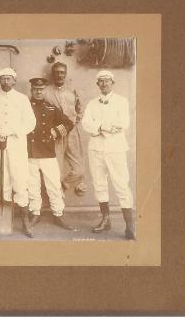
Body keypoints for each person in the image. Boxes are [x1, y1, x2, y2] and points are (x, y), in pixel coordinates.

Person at [81, 70, 135, 240]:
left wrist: (98, 127)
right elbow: (86, 124)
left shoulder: (121, 101)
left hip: (115, 148)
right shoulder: (91, 104)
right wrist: (103, 127)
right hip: (96, 148)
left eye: (107, 81)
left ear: (113, 83)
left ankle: (129, 225)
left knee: (121, 184)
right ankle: (106, 219)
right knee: (99, 183)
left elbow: (123, 123)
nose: (104, 84)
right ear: (98, 84)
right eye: (101, 82)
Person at [0, 67, 37, 238]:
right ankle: (5, 220)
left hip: (16, 145)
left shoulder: (22, 99)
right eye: (2, 79)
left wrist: (12, 130)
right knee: (3, 180)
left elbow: (30, 122)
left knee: (20, 181)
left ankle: (25, 221)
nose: (5, 82)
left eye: (8, 79)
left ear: (14, 81)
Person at [26, 78, 76, 231]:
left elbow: (69, 123)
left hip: (48, 152)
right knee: (32, 185)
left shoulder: (51, 108)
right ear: (31, 90)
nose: (38, 92)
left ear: (45, 90)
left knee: (53, 185)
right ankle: (35, 213)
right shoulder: (25, 106)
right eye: (35, 89)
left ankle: (58, 214)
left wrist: (56, 131)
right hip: (29, 152)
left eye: (41, 89)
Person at [44, 62, 88, 196]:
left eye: (62, 72)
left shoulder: (73, 91)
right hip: (56, 134)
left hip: (72, 133)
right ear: (53, 74)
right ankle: (56, 202)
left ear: (66, 74)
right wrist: (52, 128)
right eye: (57, 72)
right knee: (55, 169)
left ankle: (63, 186)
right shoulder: (45, 92)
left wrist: (73, 123)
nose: (59, 75)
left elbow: (80, 110)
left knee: (79, 169)